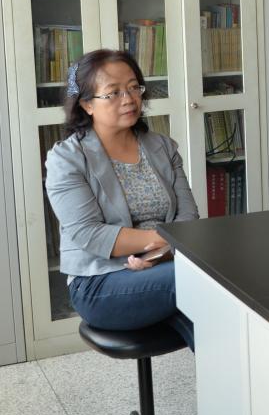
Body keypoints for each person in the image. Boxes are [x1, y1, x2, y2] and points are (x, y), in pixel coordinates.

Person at [45, 50, 198, 349]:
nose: (128, 99)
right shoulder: (67, 159)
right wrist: (162, 244)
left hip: (167, 263)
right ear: (87, 104)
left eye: (133, 87)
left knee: (215, 317)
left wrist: (159, 256)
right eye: (113, 92)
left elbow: (188, 217)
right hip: (100, 281)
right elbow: (89, 234)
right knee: (204, 281)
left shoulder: (163, 147)